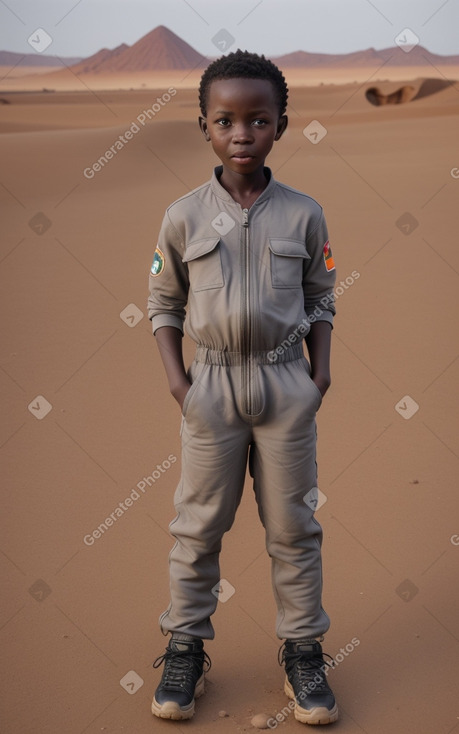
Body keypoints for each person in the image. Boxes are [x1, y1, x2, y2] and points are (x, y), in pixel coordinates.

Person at [147, 49, 338, 726]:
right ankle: (185, 648)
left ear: (280, 125)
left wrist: (317, 374)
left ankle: (304, 652)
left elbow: (321, 297)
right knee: (196, 527)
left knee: (294, 529)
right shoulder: (182, 217)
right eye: (224, 120)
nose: (240, 133)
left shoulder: (304, 215)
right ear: (204, 125)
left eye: (257, 119)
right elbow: (163, 303)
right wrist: (180, 382)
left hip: (287, 387)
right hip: (212, 387)